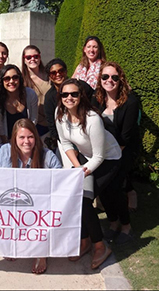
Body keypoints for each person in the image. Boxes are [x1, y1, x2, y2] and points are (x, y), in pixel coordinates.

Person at [55, 78, 122, 269]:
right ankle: (84, 242)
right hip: (85, 158)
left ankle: (100, 247)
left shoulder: (92, 118)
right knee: (77, 198)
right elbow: (66, 143)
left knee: (83, 200)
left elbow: (100, 156)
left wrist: (81, 173)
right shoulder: (60, 114)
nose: (69, 97)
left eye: (74, 94)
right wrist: (77, 167)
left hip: (108, 159)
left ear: (81, 95)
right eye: (65, 94)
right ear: (60, 97)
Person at [0, 118, 62, 274]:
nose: (26, 141)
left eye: (30, 137)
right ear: (14, 139)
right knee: (2, 210)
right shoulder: (5, 151)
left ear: (36, 137)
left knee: (46, 212)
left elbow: (61, 179)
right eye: (22, 137)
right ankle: (11, 244)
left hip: (40, 205)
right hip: (12, 202)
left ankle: (41, 253)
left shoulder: (47, 156)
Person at [92, 61, 140, 244]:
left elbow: (125, 138)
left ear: (120, 80)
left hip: (123, 151)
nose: (109, 80)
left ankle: (126, 227)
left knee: (114, 187)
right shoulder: (96, 100)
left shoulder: (130, 102)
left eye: (114, 77)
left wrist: (107, 159)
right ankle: (113, 223)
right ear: (100, 79)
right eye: (105, 76)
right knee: (101, 187)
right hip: (102, 153)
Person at [44, 58, 93, 153]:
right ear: (50, 77)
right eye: (53, 73)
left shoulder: (81, 85)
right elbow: (51, 124)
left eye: (61, 71)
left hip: (88, 133)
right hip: (66, 141)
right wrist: (66, 145)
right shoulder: (50, 97)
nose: (58, 74)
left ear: (66, 71)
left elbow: (95, 101)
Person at [0, 64, 38, 148]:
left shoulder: (30, 94)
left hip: (27, 140)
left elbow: (33, 121)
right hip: (5, 143)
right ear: (1, 81)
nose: (11, 81)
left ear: (20, 79)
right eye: (7, 79)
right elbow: (2, 132)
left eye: (15, 77)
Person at [21, 45, 50, 138]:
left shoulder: (50, 75)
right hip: (36, 125)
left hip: (53, 122)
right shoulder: (22, 81)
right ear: (24, 60)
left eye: (35, 56)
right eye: (28, 57)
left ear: (40, 57)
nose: (32, 59)